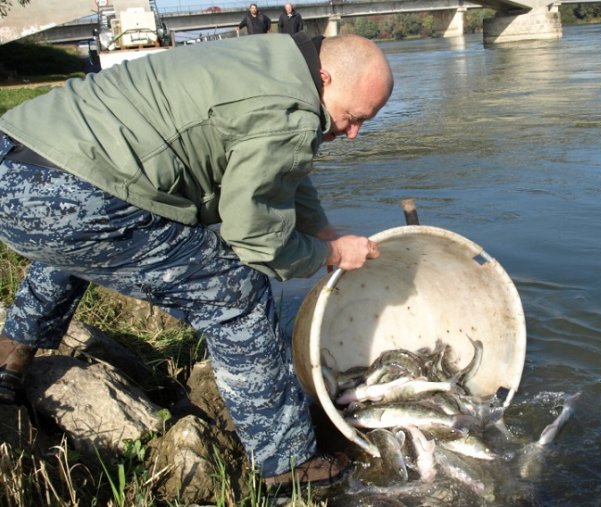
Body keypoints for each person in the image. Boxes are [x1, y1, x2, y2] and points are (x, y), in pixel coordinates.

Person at [0, 33, 393, 487]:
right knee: (236, 289)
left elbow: (280, 170)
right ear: (325, 79)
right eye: (353, 118)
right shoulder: (294, 114)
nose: (352, 133)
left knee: (84, 231)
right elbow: (255, 239)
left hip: (18, 159)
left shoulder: (278, 59)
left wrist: (321, 230)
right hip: (70, 194)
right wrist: (330, 253)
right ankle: (288, 465)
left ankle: (10, 356)